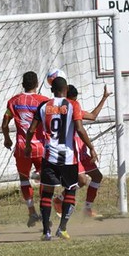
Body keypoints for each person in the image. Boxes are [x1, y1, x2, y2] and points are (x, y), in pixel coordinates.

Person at [25, 76, 97, 241]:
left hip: (49, 156)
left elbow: (31, 130)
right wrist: (91, 147)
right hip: (68, 158)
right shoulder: (73, 105)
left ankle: (46, 232)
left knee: (47, 193)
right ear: (66, 90)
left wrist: (28, 145)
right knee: (70, 189)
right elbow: (79, 129)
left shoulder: (44, 106)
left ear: (52, 90)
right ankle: (62, 228)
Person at [53, 84, 112, 219]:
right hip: (72, 151)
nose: (75, 102)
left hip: (81, 149)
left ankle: (87, 209)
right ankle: (59, 200)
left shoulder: (74, 107)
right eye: (74, 100)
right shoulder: (61, 109)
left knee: (97, 176)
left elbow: (92, 116)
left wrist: (104, 98)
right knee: (82, 180)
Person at [2, 71, 49, 227]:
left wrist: (7, 139)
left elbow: (4, 124)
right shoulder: (44, 101)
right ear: (36, 84)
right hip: (41, 147)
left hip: (22, 147)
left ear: (22, 84)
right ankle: (44, 212)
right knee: (45, 178)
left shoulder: (13, 101)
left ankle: (31, 212)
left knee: (24, 178)